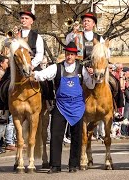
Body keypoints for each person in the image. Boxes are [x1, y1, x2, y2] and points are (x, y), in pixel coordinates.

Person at [32, 42, 92, 173]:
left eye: (71, 54)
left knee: (77, 136)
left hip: (77, 107)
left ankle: (73, 165)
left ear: (76, 56)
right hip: (61, 106)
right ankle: (55, 165)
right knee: (56, 135)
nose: (69, 56)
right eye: (67, 54)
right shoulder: (56, 67)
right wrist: (32, 73)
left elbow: (91, 85)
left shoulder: (82, 69)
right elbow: (42, 75)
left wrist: (93, 75)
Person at [0, 10, 44, 122]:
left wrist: (32, 65)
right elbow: (6, 45)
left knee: (46, 84)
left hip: (32, 64)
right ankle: (4, 111)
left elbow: (40, 53)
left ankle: (48, 103)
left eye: (26, 18)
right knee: (2, 84)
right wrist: (11, 38)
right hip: (16, 66)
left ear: (32, 21)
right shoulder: (16, 34)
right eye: (22, 18)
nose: (23, 20)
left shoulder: (37, 37)